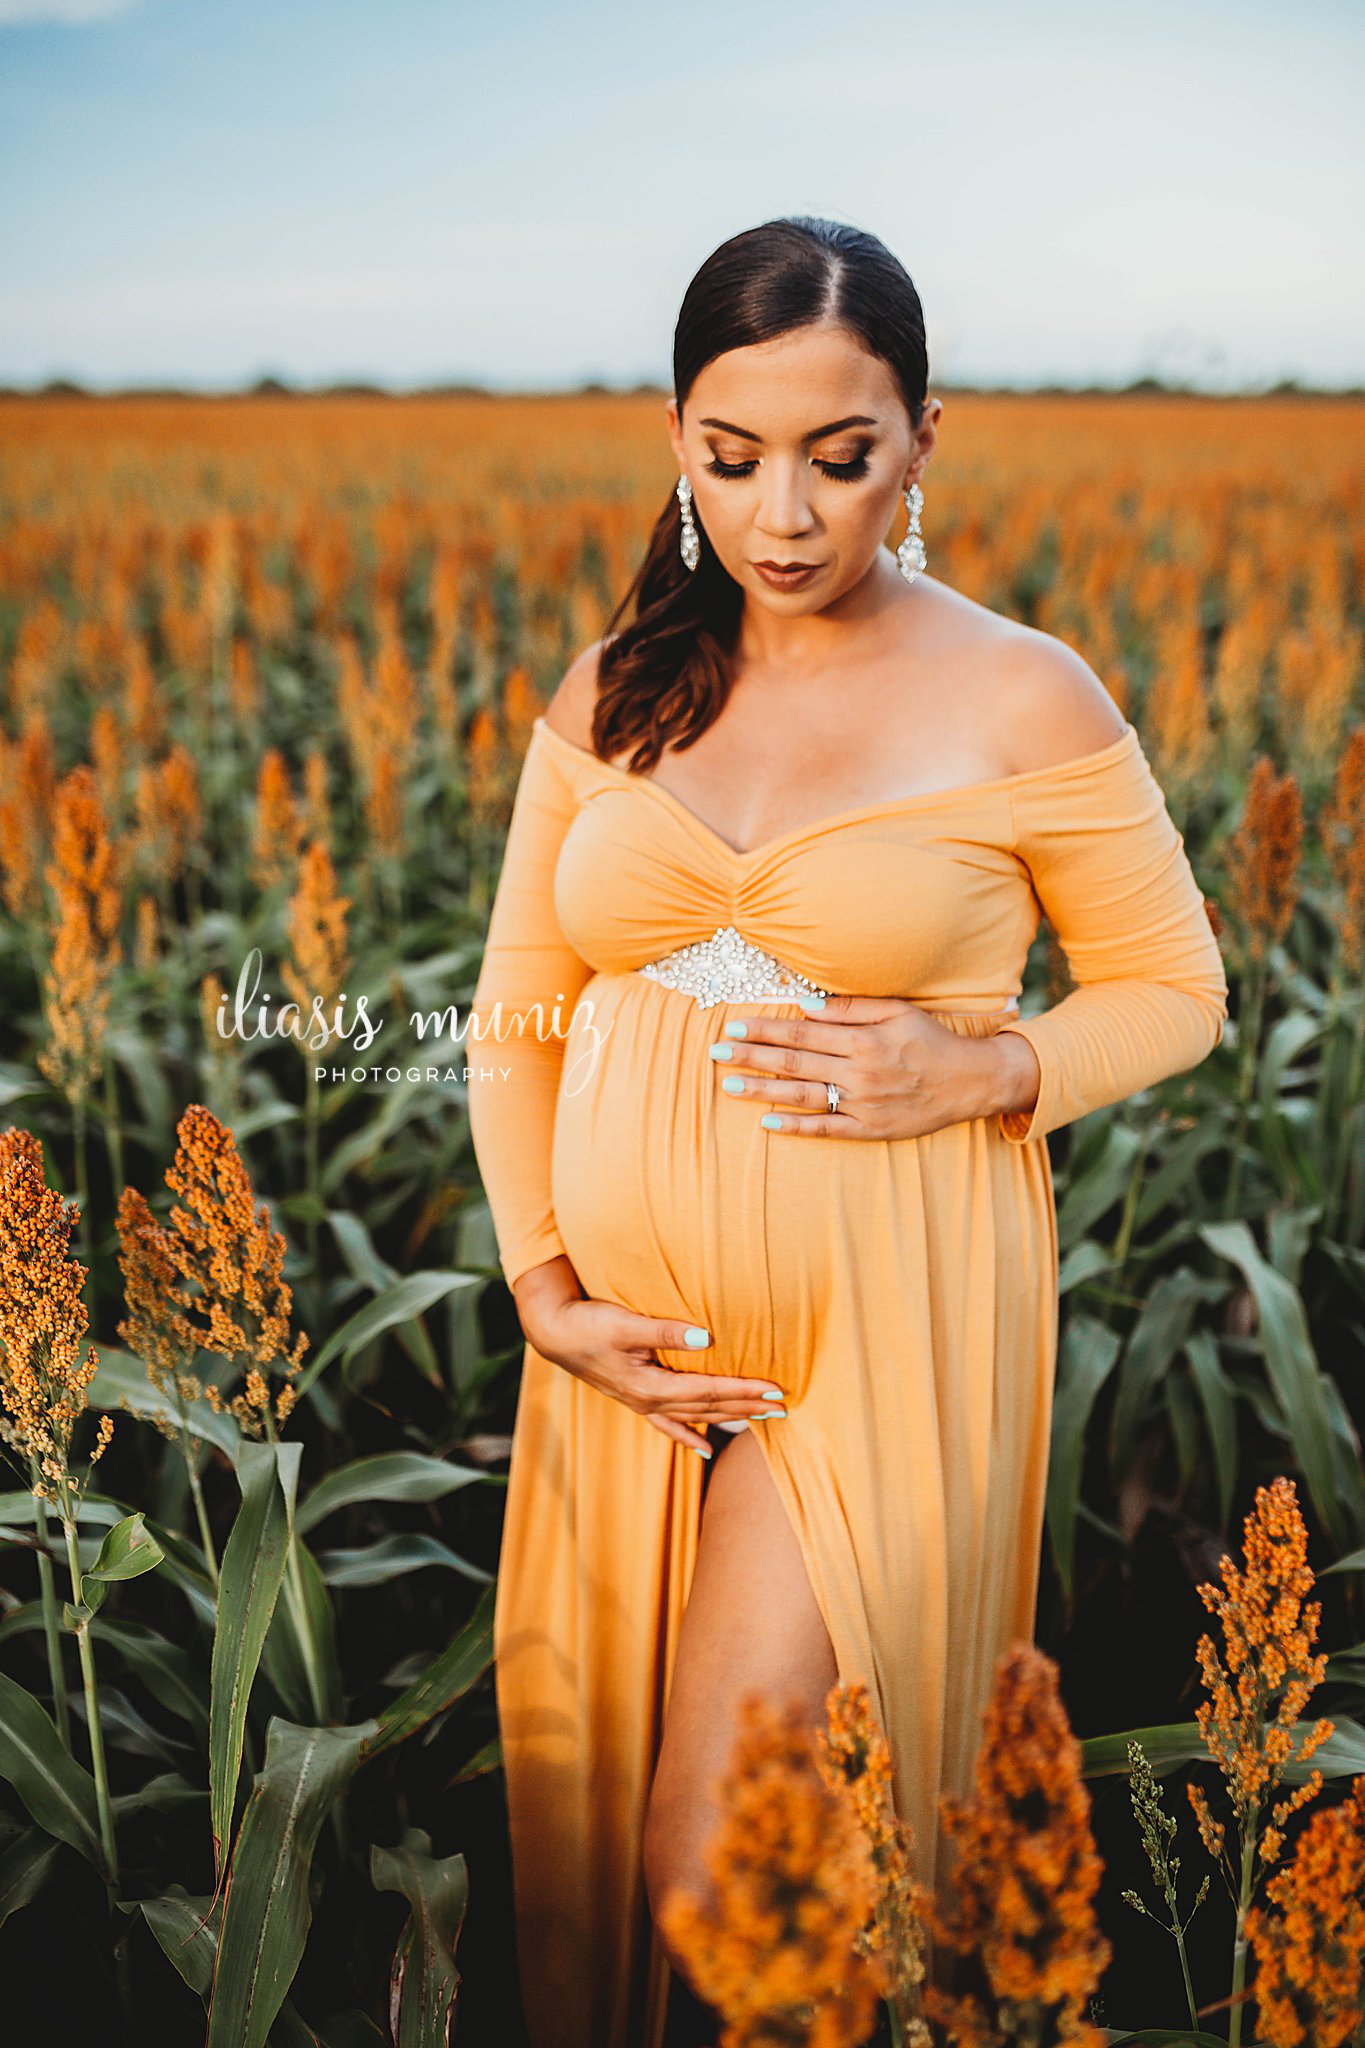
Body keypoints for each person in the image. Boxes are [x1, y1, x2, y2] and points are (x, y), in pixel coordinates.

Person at [466, 214, 1228, 2048]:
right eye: (732, 463)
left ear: (923, 442)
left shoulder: (1018, 690)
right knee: (634, 1854)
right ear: (678, 448)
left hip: (878, 1337)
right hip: (628, 1363)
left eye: (841, 457)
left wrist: (992, 1070)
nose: (786, 516)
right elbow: (520, 1009)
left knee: (726, 1865)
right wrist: (544, 1285)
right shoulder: (617, 689)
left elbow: (1176, 990)